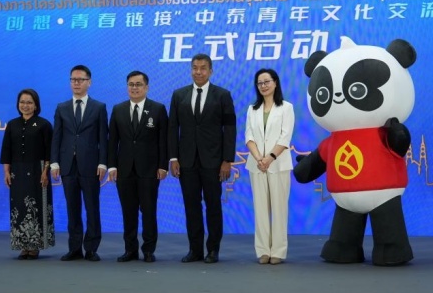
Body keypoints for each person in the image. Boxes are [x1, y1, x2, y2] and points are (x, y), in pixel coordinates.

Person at [168, 53, 236, 264]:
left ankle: (213, 250)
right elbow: (173, 128)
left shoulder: (222, 95)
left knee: (213, 206)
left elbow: (230, 129)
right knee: (191, 207)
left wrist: (227, 160)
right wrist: (173, 158)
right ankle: (194, 250)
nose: (198, 72)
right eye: (195, 68)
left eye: (203, 68)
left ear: (210, 71)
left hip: (214, 161)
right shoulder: (179, 95)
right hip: (186, 161)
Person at [107, 71, 169, 263]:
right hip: (124, 169)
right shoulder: (118, 109)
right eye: (131, 84)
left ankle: (149, 250)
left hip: (149, 169)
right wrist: (112, 166)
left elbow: (163, 140)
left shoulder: (158, 109)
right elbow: (112, 141)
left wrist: (163, 166)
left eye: (138, 84)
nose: (134, 88)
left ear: (146, 87)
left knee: (149, 211)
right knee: (128, 212)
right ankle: (130, 250)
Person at [50, 65, 108, 262]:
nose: (76, 83)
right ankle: (74, 248)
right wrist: (54, 163)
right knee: (72, 209)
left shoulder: (99, 107)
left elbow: (103, 138)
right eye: (73, 79)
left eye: (80, 80)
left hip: (91, 166)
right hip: (68, 166)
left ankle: (91, 248)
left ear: (89, 82)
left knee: (92, 208)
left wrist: (102, 163)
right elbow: (57, 137)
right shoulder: (62, 107)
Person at [244, 69, 295, 265]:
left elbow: (285, 136)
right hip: (257, 165)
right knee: (260, 209)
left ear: (275, 83)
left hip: (278, 164)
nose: (263, 86)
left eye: (266, 82)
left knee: (279, 209)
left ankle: (278, 251)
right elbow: (249, 136)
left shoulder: (286, 107)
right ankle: (263, 250)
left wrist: (270, 158)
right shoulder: (252, 109)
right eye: (260, 83)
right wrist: (259, 158)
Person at [0, 89, 54, 259]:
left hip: (38, 171)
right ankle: (23, 246)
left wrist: (46, 171)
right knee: (19, 208)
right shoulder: (12, 124)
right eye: (22, 102)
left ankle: (35, 246)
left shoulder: (44, 124)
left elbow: (49, 151)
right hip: (17, 172)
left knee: (35, 207)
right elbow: (6, 150)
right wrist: (6, 171)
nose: (25, 105)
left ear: (36, 105)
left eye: (29, 102)